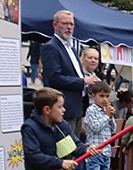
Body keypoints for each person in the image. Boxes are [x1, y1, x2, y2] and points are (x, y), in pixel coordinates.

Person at [40, 10, 100, 138]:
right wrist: (83, 81)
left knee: (75, 149)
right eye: (65, 24)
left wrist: (87, 86)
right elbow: (54, 79)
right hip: (63, 108)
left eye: (71, 24)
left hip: (77, 107)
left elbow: (75, 75)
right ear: (55, 25)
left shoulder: (71, 48)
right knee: (66, 151)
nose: (69, 27)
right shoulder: (51, 47)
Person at [82, 80, 117, 170]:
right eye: (102, 96)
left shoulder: (105, 110)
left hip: (106, 153)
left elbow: (112, 130)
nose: (105, 100)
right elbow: (95, 127)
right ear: (93, 96)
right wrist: (107, 116)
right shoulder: (91, 111)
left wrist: (111, 117)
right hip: (94, 153)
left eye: (107, 96)